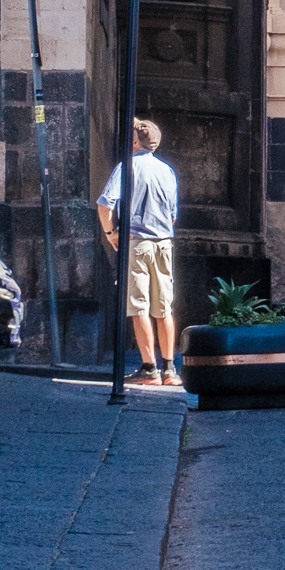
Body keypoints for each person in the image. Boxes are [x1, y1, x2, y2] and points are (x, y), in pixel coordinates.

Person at [96, 116, 180, 388]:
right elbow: (173, 215)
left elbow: (105, 205)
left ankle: (149, 369)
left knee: (138, 305)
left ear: (135, 141)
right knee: (164, 306)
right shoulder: (167, 171)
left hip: (137, 242)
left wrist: (111, 234)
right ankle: (170, 369)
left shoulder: (127, 167)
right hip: (164, 242)